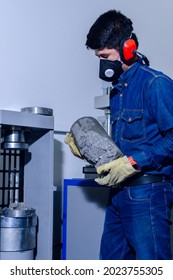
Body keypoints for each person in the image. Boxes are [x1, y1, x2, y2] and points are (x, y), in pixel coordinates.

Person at [65, 9, 173, 260]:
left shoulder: (155, 84)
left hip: (148, 194)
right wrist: (87, 149)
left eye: (105, 56)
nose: (103, 64)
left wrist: (134, 162)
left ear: (128, 47)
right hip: (119, 193)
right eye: (99, 57)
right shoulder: (117, 91)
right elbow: (122, 149)